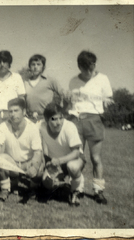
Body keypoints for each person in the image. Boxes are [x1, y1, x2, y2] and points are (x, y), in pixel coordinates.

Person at [68, 50, 113, 204]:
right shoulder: (73, 81)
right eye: (84, 69)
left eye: (91, 69)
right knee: (76, 157)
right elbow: (70, 103)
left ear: (94, 65)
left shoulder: (103, 79)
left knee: (95, 157)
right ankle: (77, 189)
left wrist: (106, 102)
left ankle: (98, 190)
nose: (88, 73)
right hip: (76, 121)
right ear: (79, 66)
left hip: (94, 120)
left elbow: (108, 99)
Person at [0, 98, 43, 201]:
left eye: (16, 111)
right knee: (0, 158)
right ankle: (5, 189)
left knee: (40, 165)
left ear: (24, 112)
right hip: (12, 164)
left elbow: (38, 152)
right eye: (10, 111)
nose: (12, 114)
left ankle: (32, 188)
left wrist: (34, 167)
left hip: (28, 163)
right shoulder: (3, 126)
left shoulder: (32, 128)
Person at [39, 102, 85, 206]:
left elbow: (76, 152)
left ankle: (76, 190)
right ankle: (63, 183)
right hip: (54, 161)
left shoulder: (69, 127)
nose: (59, 122)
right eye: (54, 119)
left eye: (61, 118)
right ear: (46, 120)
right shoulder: (41, 126)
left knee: (72, 167)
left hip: (73, 159)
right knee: (47, 184)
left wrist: (60, 161)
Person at [24, 54, 63, 123]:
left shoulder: (50, 80)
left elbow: (62, 93)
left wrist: (59, 109)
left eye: (38, 64)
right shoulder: (25, 82)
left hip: (46, 118)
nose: (35, 67)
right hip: (30, 118)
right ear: (29, 67)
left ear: (43, 67)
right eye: (33, 64)